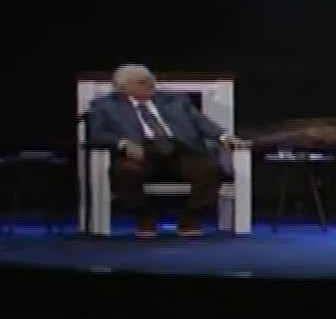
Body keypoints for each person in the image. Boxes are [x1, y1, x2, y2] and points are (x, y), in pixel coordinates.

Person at [84, 63, 245, 237]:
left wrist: (224, 136)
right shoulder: (104, 105)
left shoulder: (175, 100)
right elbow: (97, 135)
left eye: (151, 80)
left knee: (210, 168)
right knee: (125, 171)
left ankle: (191, 217)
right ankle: (143, 217)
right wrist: (123, 143)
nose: (151, 84)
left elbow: (201, 122)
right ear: (123, 88)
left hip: (179, 149)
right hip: (139, 151)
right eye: (142, 82)